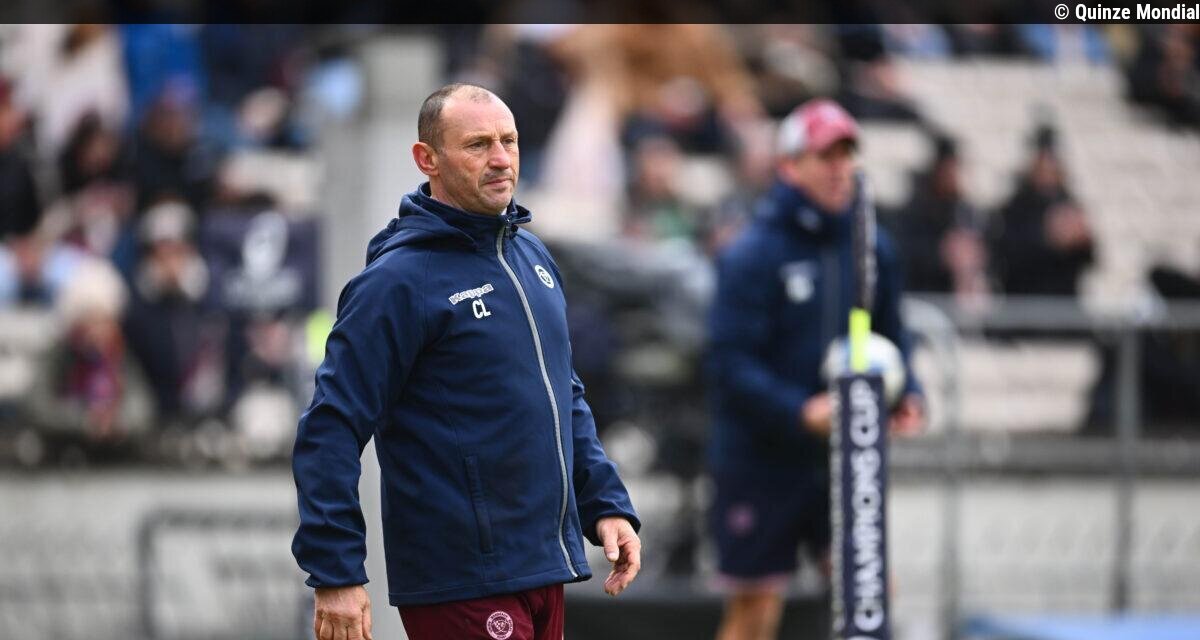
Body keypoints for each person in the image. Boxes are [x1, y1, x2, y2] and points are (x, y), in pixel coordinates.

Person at [291, 84, 641, 640]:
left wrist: (605, 502)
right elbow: (330, 426)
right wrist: (335, 571)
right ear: (427, 159)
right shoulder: (396, 282)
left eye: (509, 141)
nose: (501, 158)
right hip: (461, 577)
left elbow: (563, 392)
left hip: (543, 565)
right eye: (478, 144)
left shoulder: (531, 254)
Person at [707, 98, 924, 640]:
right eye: (826, 155)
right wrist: (801, 412)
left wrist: (909, 394)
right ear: (789, 165)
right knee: (755, 610)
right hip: (762, 460)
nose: (839, 167)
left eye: (847, 154)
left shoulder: (872, 247)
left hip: (845, 459)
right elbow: (728, 364)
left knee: (871, 597)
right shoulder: (753, 253)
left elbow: (894, 334)